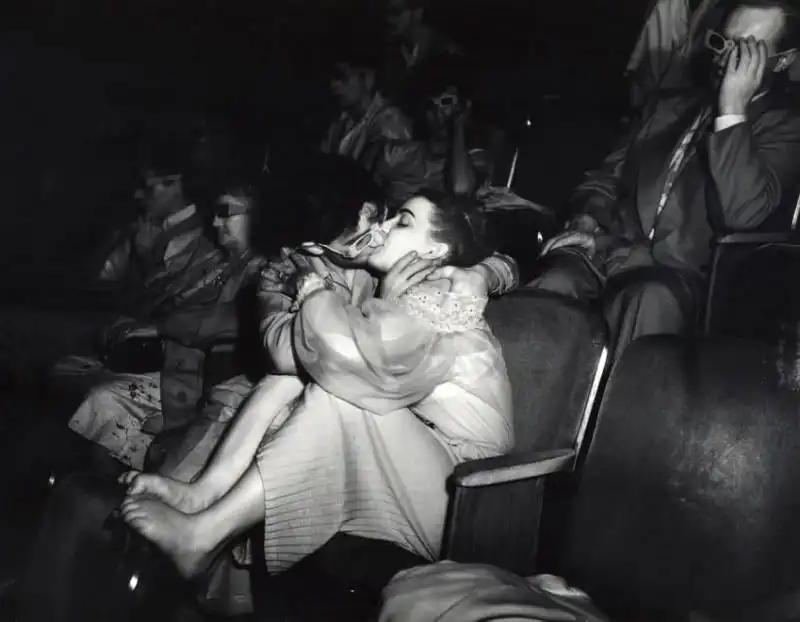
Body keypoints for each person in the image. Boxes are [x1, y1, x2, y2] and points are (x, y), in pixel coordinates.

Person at [117, 192, 514, 580]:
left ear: (434, 251)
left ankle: (205, 535)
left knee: (331, 393)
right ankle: (201, 495)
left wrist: (311, 290)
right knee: (285, 380)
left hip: (467, 489)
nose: (383, 228)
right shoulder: (352, 280)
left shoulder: (441, 294)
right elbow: (303, 355)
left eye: (401, 221)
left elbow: (355, 357)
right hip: (416, 459)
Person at [531, 0, 800, 361]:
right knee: (551, 284)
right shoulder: (667, 107)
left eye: (746, 50)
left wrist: (733, 110)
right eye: (723, 42)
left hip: (683, 276)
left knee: (646, 299)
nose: (724, 59)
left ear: (782, 61)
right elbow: (604, 178)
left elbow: (744, 213)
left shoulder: (785, 127)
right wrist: (587, 220)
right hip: (608, 250)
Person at [67, 181, 265, 474]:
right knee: (92, 394)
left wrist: (158, 328)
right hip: (181, 374)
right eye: (214, 212)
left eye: (226, 212)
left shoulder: (266, 268)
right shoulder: (225, 262)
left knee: (101, 401)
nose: (215, 222)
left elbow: (222, 320)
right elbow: (165, 301)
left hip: (211, 391)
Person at [321, 53, 420, 206]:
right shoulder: (340, 120)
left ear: (368, 78)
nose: (333, 85)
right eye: (332, 77)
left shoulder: (390, 122)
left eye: (342, 77)